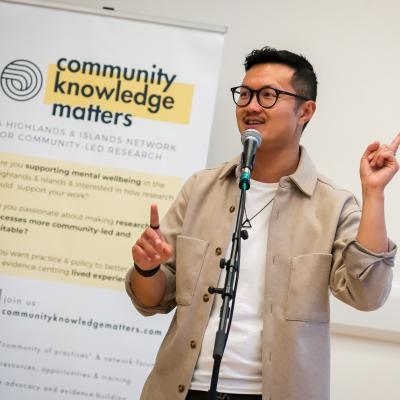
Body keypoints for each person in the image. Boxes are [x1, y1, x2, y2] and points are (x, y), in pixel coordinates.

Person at [126, 46, 399, 400]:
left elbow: (368, 295)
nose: (252, 106)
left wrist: (373, 193)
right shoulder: (200, 189)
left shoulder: (332, 204)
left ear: (306, 110)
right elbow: (152, 301)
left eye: (269, 95)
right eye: (245, 94)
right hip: (182, 389)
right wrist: (147, 269)